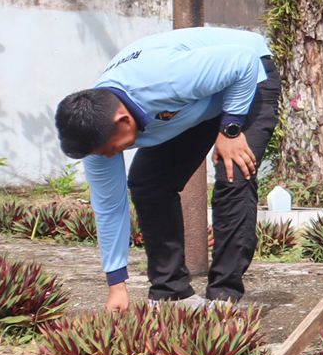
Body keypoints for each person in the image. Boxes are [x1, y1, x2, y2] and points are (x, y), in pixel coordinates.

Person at [54, 28, 280, 311]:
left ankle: (224, 297)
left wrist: (231, 130)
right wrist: (117, 285)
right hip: (195, 103)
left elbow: (243, 61)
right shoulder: (95, 137)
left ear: (123, 121)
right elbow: (110, 208)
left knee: (233, 172)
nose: (109, 156)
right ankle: (172, 294)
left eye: (111, 149)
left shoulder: (165, 79)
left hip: (248, 78)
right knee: (149, 183)